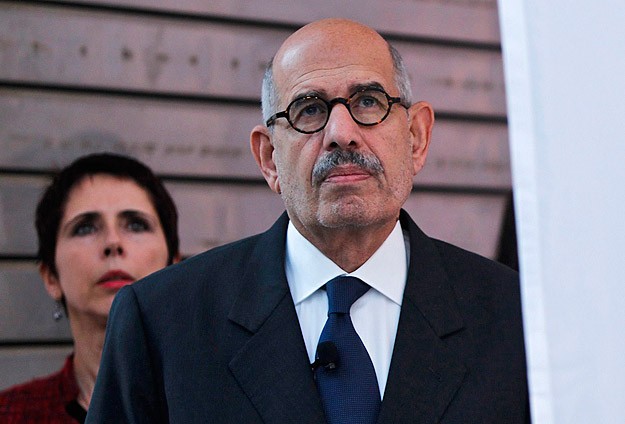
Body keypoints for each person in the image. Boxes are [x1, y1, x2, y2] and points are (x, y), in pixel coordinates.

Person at [86, 18, 529, 423]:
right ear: (268, 158)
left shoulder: (515, 317)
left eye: (369, 101)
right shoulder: (163, 321)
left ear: (416, 138)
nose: (341, 133)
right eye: (310, 110)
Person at [0, 153, 180, 423]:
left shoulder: (215, 405)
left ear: (174, 265)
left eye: (136, 225)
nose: (113, 242)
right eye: (85, 228)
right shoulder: (10, 414)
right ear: (51, 277)